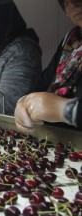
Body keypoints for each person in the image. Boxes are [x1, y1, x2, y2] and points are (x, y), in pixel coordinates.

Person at [14, 0, 82, 131]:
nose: (73, 5)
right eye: (66, 2)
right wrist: (23, 102)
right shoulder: (71, 41)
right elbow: (43, 82)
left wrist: (67, 110)